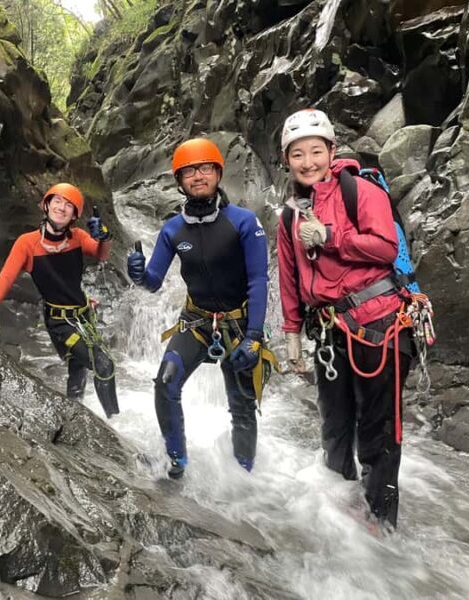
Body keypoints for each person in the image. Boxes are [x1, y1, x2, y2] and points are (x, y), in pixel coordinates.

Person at [276, 108, 414, 529]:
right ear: (287, 161)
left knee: (378, 427)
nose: (307, 162)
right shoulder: (289, 214)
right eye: (297, 155)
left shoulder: (361, 191)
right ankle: (337, 510)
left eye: (316, 151)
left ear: (332, 151)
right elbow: (289, 274)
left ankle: (380, 523)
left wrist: (331, 237)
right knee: (335, 424)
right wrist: (293, 332)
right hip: (330, 331)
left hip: (379, 324)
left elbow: (385, 248)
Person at [127, 138, 269, 479]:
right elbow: (154, 282)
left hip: (239, 325)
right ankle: (176, 461)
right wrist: (138, 274)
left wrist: (254, 336)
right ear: (179, 182)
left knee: (242, 406)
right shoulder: (173, 229)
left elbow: (259, 281)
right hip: (197, 322)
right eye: (189, 171)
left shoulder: (244, 222)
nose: (198, 176)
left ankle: (243, 475)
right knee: (165, 382)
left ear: (218, 173)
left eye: (205, 168)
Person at [0, 183, 119, 418]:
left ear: (74, 216)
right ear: (46, 205)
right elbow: (6, 278)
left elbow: (101, 254)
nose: (62, 208)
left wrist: (105, 236)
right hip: (59, 321)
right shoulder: (27, 243)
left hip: (82, 314)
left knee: (78, 367)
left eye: (69, 205)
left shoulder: (77, 237)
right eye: (57, 201)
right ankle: (114, 421)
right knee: (104, 365)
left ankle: (74, 411)